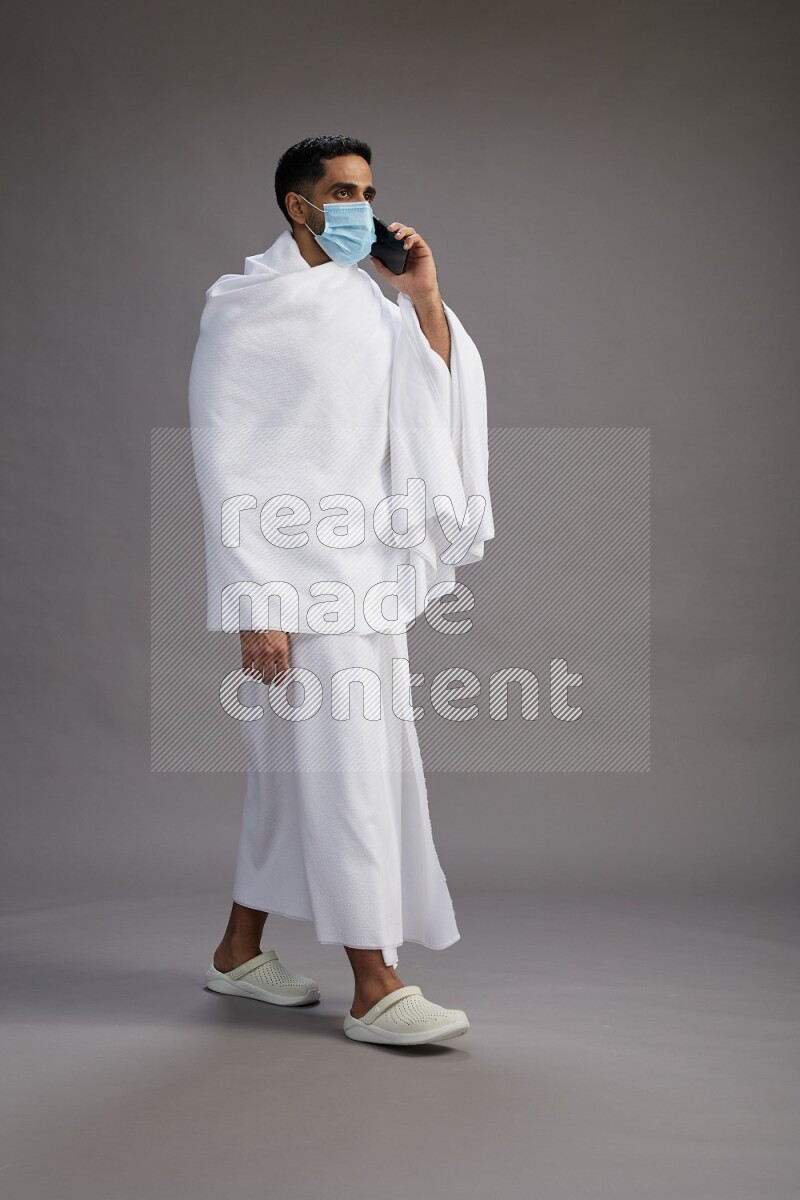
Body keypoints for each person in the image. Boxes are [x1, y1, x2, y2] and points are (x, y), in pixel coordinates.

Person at [188, 135, 494, 1046]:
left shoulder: (371, 302)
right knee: (348, 772)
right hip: (294, 586)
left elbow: (436, 395)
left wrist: (424, 294)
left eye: (368, 190)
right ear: (297, 205)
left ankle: (238, 951)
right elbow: (227, 460)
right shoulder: (246, 309)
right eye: (341, 191)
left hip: (361, 574)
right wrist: (257, 603)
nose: (361, 205)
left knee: (296, 776)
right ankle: (374, 984)